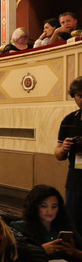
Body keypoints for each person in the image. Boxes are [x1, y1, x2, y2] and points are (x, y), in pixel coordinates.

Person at [9, 184, 82, 262]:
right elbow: (14, 258)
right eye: (44, 206)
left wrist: (73, 252)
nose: (49, 211)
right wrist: (41, 250)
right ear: (35, 207)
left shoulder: (64, 227)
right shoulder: (20, 227)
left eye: (54, 206)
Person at [57, 76, 82, 233]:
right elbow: (58, 154)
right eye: (80, 96)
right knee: (74, 222)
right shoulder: (69, 120)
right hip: (75, 180)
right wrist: (64, 148)